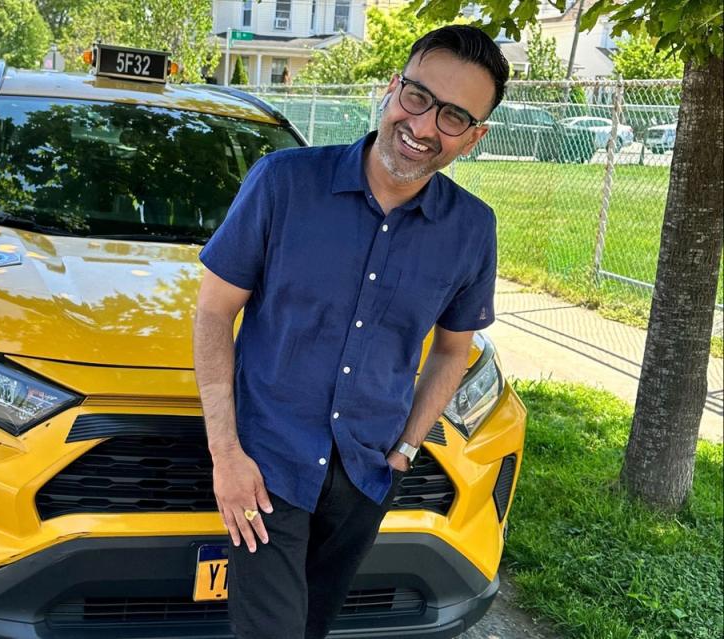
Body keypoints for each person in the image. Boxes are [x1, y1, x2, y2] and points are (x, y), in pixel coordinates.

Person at [193, 25, 510, 639]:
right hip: (268, 467)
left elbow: (452, 352)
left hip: (366, 474)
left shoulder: (472, 229)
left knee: (313, 626)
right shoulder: (284, 183)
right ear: (392, 89)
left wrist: (407, 449)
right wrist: (226, 454)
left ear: (474, 138)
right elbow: (212, 313)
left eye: (452, 117)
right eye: (417, 97)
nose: (423, 127)